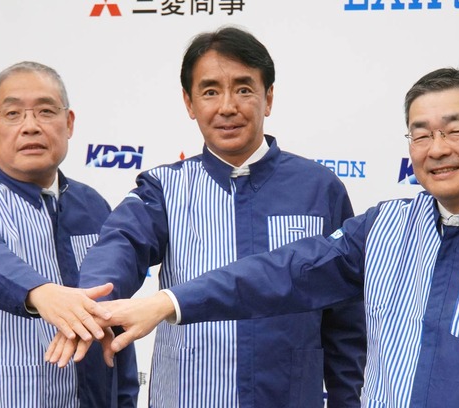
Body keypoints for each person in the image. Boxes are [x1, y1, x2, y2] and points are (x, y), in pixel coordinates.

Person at [75, 68, 459, 407]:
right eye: (420, 133)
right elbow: (281, 273)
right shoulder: (384, 228)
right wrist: (167, 302)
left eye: (456, 129)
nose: (437, 148)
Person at [51, 27, 367, 407]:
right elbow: (120, 245)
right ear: (189, 103)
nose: (227, 106)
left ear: (268, 98)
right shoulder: (164, 188)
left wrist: (346, 400)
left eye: (244, 89)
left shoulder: (319, 188)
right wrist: (90, 304)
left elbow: (346, 321)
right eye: (210, 91)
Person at [0, 61, 138, 407]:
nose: (30, 126)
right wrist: (40, 293)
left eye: (45, 111)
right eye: (13, 114)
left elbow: (115, 314)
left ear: (69, 123)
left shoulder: (94, 205)